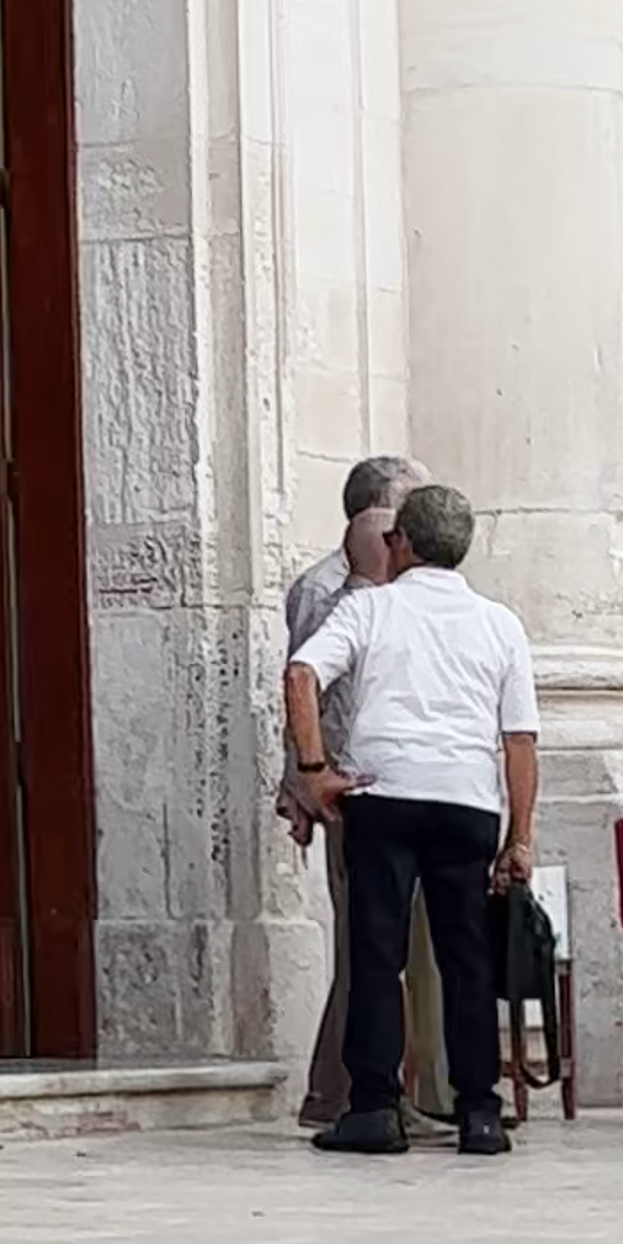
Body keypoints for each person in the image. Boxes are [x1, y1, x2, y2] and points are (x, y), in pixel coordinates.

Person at [285, 476, 538, 1162]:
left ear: (401, 542)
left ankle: (373, 1107)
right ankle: (479, 1111)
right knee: (466, 956)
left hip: (384, 793)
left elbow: (302, 675)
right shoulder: (500, 623)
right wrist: (519, 838)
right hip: (467, 800)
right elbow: (519, 739)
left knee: (377, 953)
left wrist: (313, 771)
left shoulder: (370, 608)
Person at [282, 457, 414, 1132]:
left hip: (389, 787)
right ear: (377, 512)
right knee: (365, 942)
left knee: (377, 944)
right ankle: (344, 1092)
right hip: (347, 787)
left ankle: (344, 1086)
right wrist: (305, 784)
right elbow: (309, 689)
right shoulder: (326, 588)